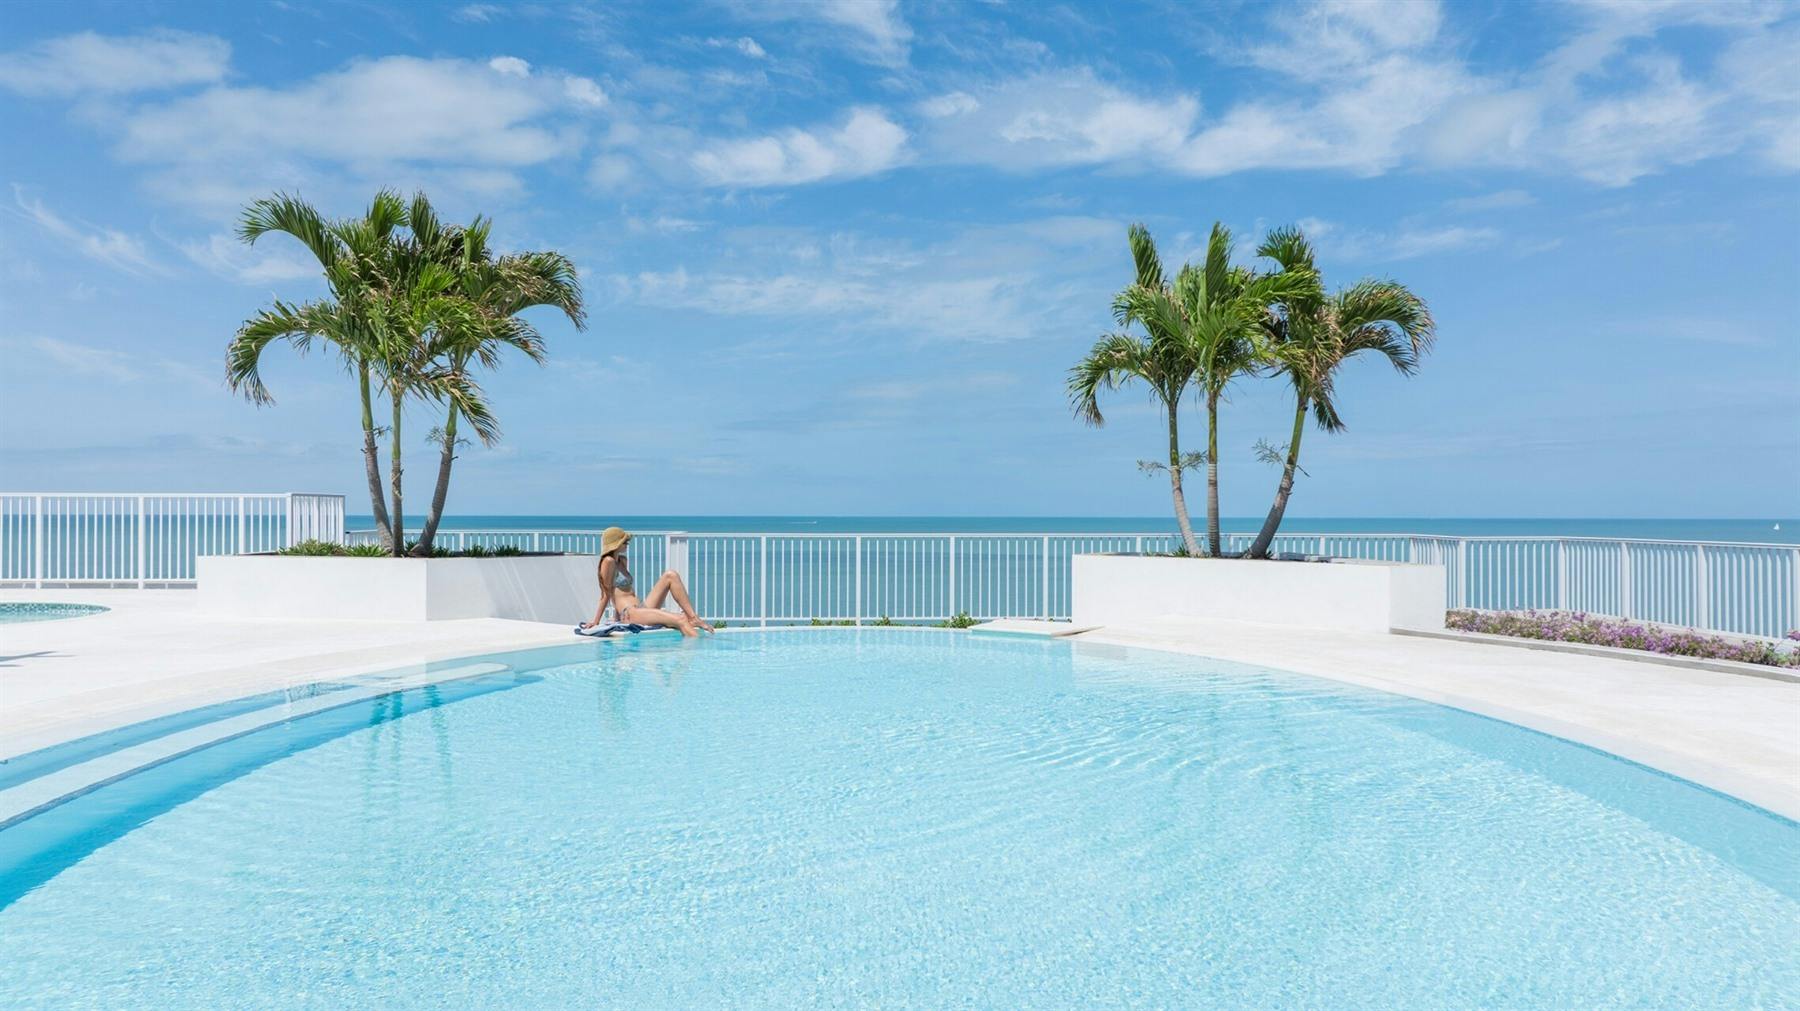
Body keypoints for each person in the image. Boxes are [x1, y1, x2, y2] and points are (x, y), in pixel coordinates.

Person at [581, 527, 714, 637]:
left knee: (670, 575)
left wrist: (616, 616)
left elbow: (623, 592)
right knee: (680, 620)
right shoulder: (608, 562)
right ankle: (697, 654)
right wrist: (596, 621)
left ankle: (693, 617)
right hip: (630, 613)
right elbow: (606, 593)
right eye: (624, 541)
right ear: (615, 544)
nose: (627, 543)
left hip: (641, 608)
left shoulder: (622, 561)